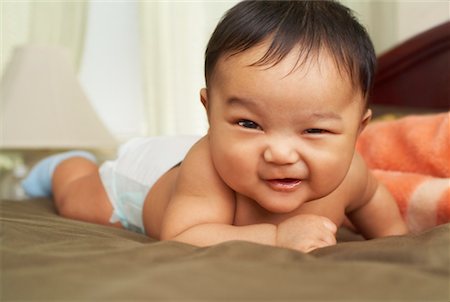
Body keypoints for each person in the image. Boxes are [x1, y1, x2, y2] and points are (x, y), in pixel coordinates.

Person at [22, 1, 408, 253]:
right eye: (248, 123)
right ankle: (66, 163)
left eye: (314, 131)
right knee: (78, 200)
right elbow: (183, 236)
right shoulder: (207, 168)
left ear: (359, 130)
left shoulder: (352, 174)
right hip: (145, 180)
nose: (280, 153)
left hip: (195, 161)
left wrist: (397, 243)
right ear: (209, 112)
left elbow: (374, 201)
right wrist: (275, 237)